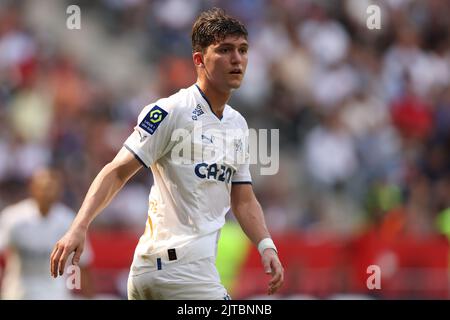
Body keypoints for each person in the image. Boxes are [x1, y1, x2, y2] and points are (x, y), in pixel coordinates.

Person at [50, 7, 284, 300]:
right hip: (179, 272)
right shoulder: (172, 111)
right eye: (225, 50)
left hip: (172, 271)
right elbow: (117, 170)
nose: (237, 59)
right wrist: (79, 227)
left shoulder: (237, 124)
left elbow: (244, 199)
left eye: (243, 50)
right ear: (199, 59)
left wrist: (266, 246)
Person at [0, 168, 94, 299]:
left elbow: (83, 264)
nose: (48, 192)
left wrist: (90, 296)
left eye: (52, 188)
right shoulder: (13, 218)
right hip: (19, 292)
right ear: (33, 187)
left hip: (55, 293)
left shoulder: (69, 221)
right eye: (44, 187)